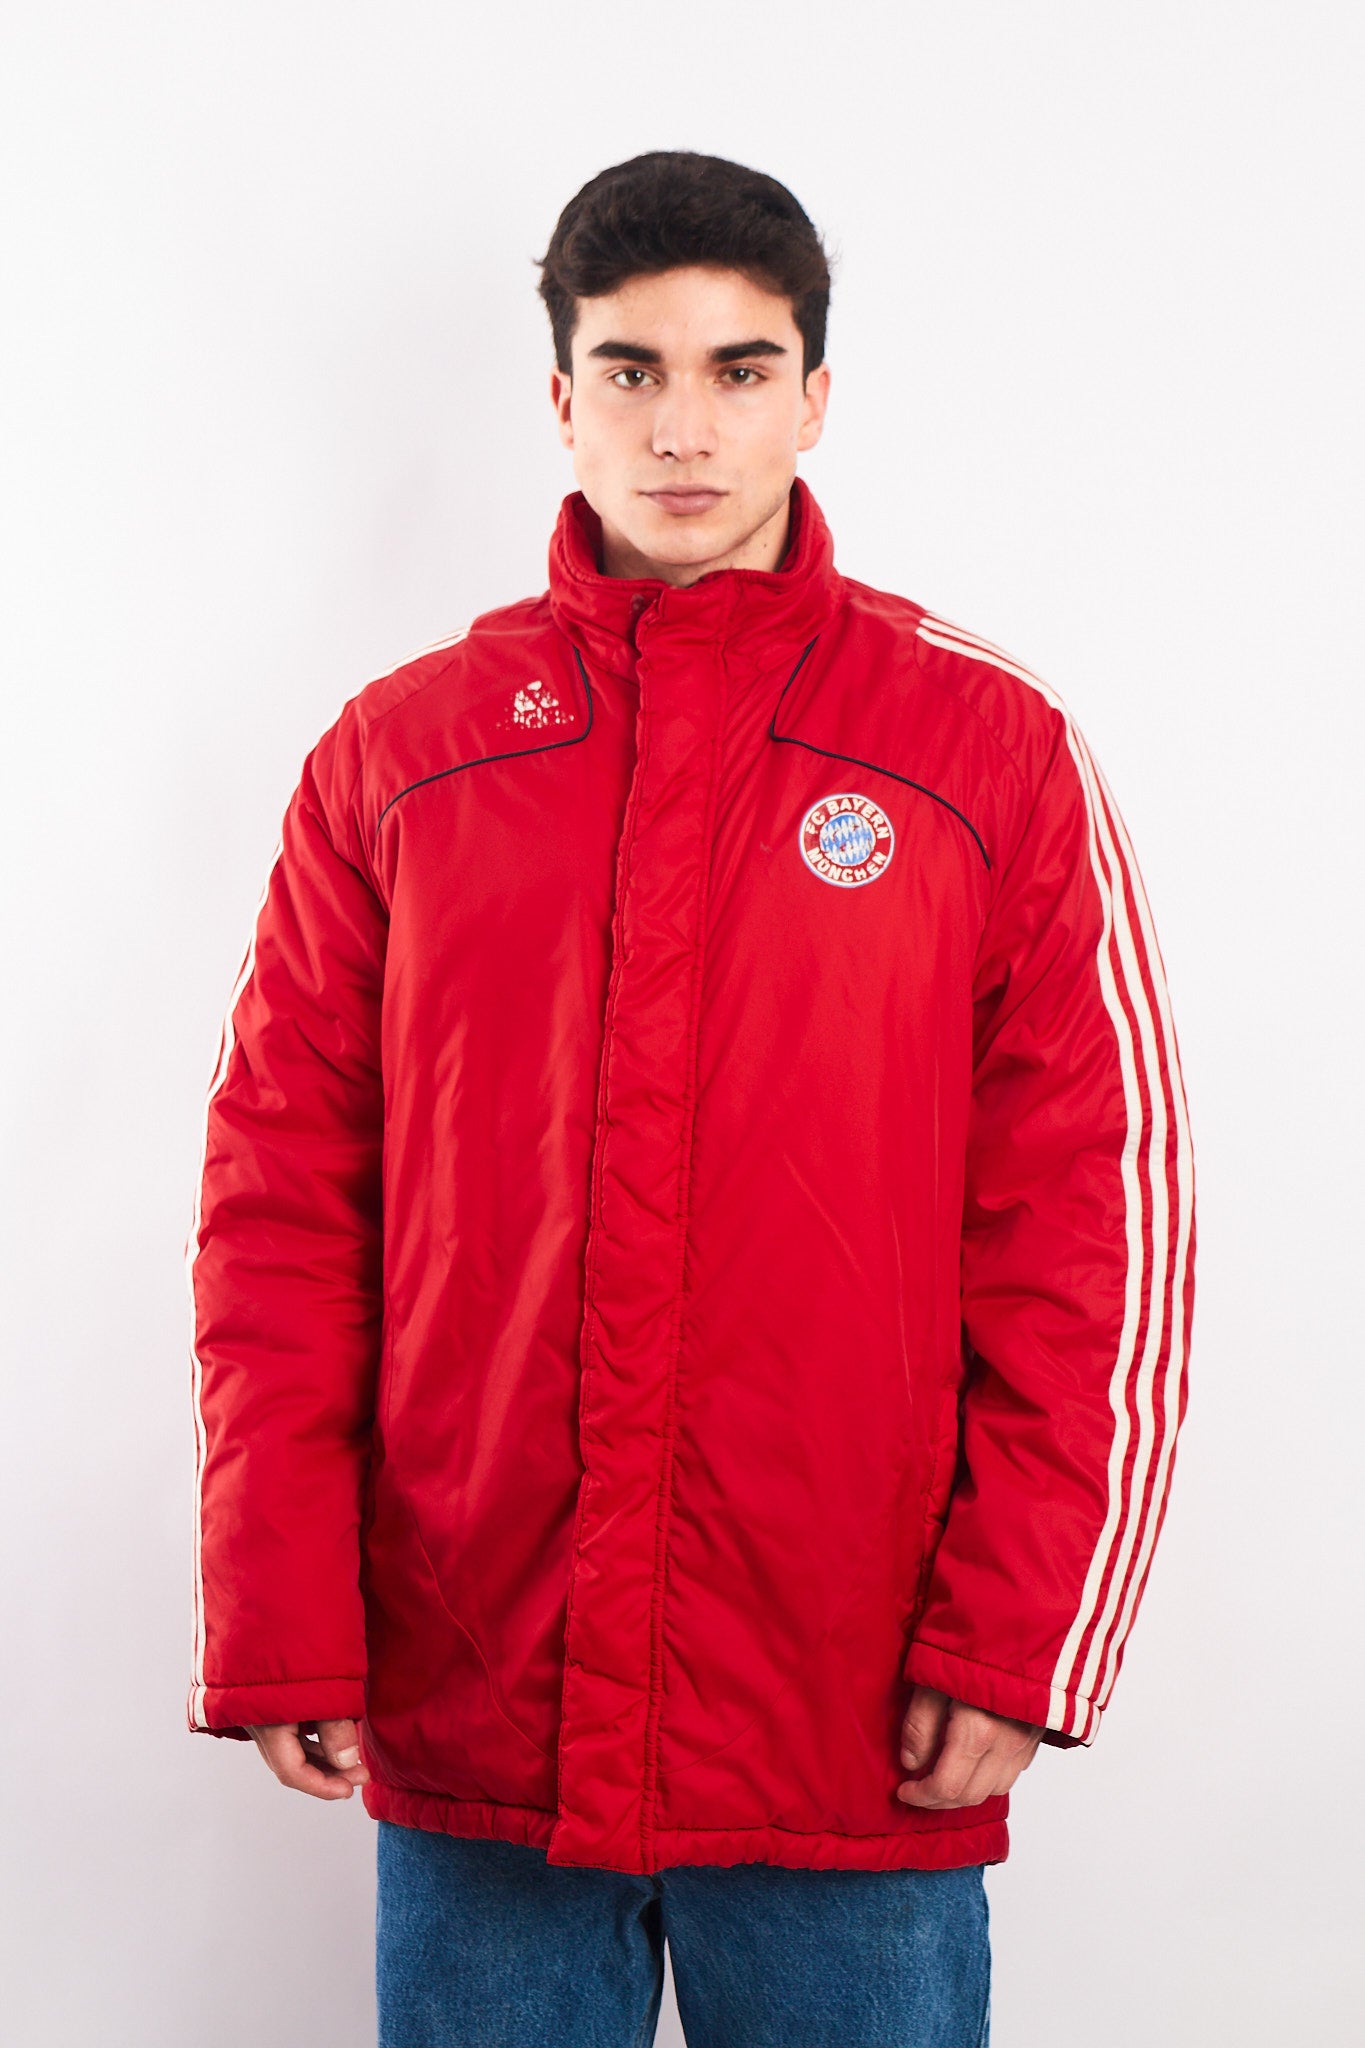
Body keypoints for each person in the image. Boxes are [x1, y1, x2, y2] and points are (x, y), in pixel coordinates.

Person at [187, 150, 1195, 2047]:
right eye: (631, 370)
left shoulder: (979, 746)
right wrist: (281, 1608)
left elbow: (1097, 1219)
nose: (682, 427)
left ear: (814, 398)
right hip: (482, 1689)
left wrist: (1021, 1632)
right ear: (560, 397)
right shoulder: (402, 756)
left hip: (849, 1715)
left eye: (739, 371)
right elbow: (283, 1204)